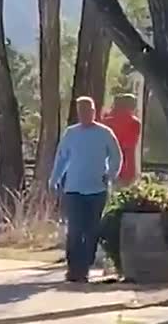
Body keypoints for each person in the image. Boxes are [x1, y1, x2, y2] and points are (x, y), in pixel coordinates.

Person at [49, 96, 122, 283]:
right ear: (78, 113)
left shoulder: (104, 133)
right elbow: (62, 158)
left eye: (88, 111)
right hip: (74, 188)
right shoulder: (71, 134)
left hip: (97, 189)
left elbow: (116, 156)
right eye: (81, 111)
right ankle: (74, 268)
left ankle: (85, 266)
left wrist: (111, 174)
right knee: (74, 229)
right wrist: (54, 180)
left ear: (94, 112)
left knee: (91, 230)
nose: (85, 115)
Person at [102, 94, 142, 187]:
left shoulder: (105, 121)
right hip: (126, 167)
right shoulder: (134, 123)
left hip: (106, 164)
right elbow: (130, 145)